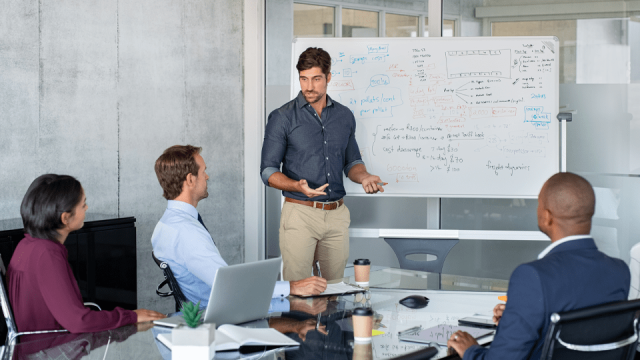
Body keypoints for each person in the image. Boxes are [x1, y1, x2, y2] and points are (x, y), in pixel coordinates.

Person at [447, 172, 630, 359]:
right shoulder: (619, 271)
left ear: (547, 216)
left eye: (539, 204)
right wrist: (518, 316)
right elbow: (584, 334)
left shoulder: (532, 276)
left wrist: (471, 351)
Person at [260, 47, 385, 282]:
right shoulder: (282, 117)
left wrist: (365, 176)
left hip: (336, 215)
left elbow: (352, 163)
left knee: (335, 290)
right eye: (303, 79)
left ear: (328, 77)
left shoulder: (344, 116)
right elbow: (268, 171)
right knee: (298, 290)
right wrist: (298, 186)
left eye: (316, 79)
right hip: (300, 213)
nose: (309, 86)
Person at [151, 145, 327, 308]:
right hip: (222, 313)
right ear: (190, 179)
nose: (207, 176)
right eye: (204, 171)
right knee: (310, 312)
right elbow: (228, 286)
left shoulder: (165, 224)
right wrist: (293, 287)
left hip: (214, 309)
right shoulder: (187, 232)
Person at [7, 174, 165, 334]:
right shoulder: (47, 254)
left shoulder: (26, 244)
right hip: (50, 349)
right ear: (66, 218)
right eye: (83, 205)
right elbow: (78, 322)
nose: (87, 208)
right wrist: (131, 316)